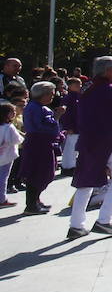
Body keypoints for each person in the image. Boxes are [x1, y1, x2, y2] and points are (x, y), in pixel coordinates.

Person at [69, 57, 112, 238]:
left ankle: (76, 224)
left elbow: (108, 103)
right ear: (107, 70)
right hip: (109, 140)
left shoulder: (88, 89)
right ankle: (104, 220)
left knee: (86, 182)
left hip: (87, 140)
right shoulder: (110, 89)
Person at [17, 83, 61, 214]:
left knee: (44, 172)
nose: (52, 97)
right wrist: (56, 118)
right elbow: (37, 127)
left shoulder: (38, 107)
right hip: (38, 143)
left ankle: (35, 200)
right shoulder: (35, 108)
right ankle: (31, 205)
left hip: (43, 143)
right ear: (44, 94)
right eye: (51, 94)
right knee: (37, 173)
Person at [0, 102, 21, 208]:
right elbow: (16, 140)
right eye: (12, 111)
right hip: (7, 156)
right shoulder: (9, 127)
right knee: (3, 178)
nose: (14, 113)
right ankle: (2, 199)